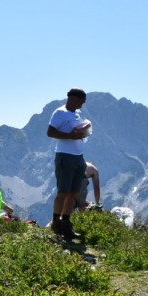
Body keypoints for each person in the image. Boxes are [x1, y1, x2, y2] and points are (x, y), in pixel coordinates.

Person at [47, 87, 90, 240]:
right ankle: (55, 223)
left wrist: (84, 133)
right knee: (63, 192)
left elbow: (78, 133)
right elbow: (50, 132)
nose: (83, 104)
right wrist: (69, 136)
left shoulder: (77, 114)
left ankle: (66, 224)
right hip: (65, 156)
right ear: (73, 98)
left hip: (79, 156)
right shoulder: (60, 112)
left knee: (73, 192)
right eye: (81, 101)